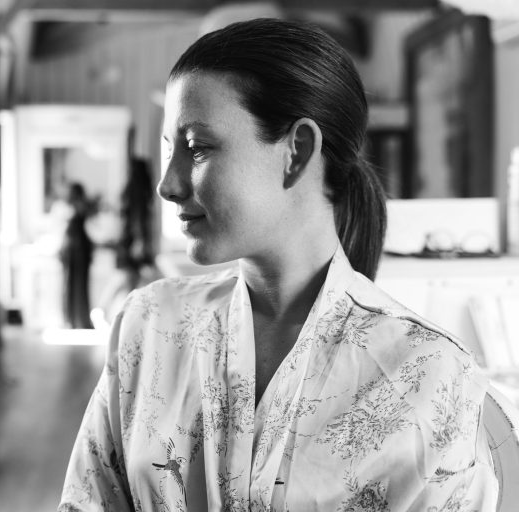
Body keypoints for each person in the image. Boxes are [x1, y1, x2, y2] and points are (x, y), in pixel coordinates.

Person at [59, 18, 498, 512]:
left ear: (297, 152)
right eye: (169, 152)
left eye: (197, 148)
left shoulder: (432, 374)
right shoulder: (148, 325)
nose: (168, 184)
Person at [60, 182, 95, 329]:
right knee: (72, 286)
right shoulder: (69, 209)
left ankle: (79, 319)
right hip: (75, 252)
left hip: (79, 251)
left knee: (78, 286)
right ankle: (73, 319)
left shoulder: (80, 208)